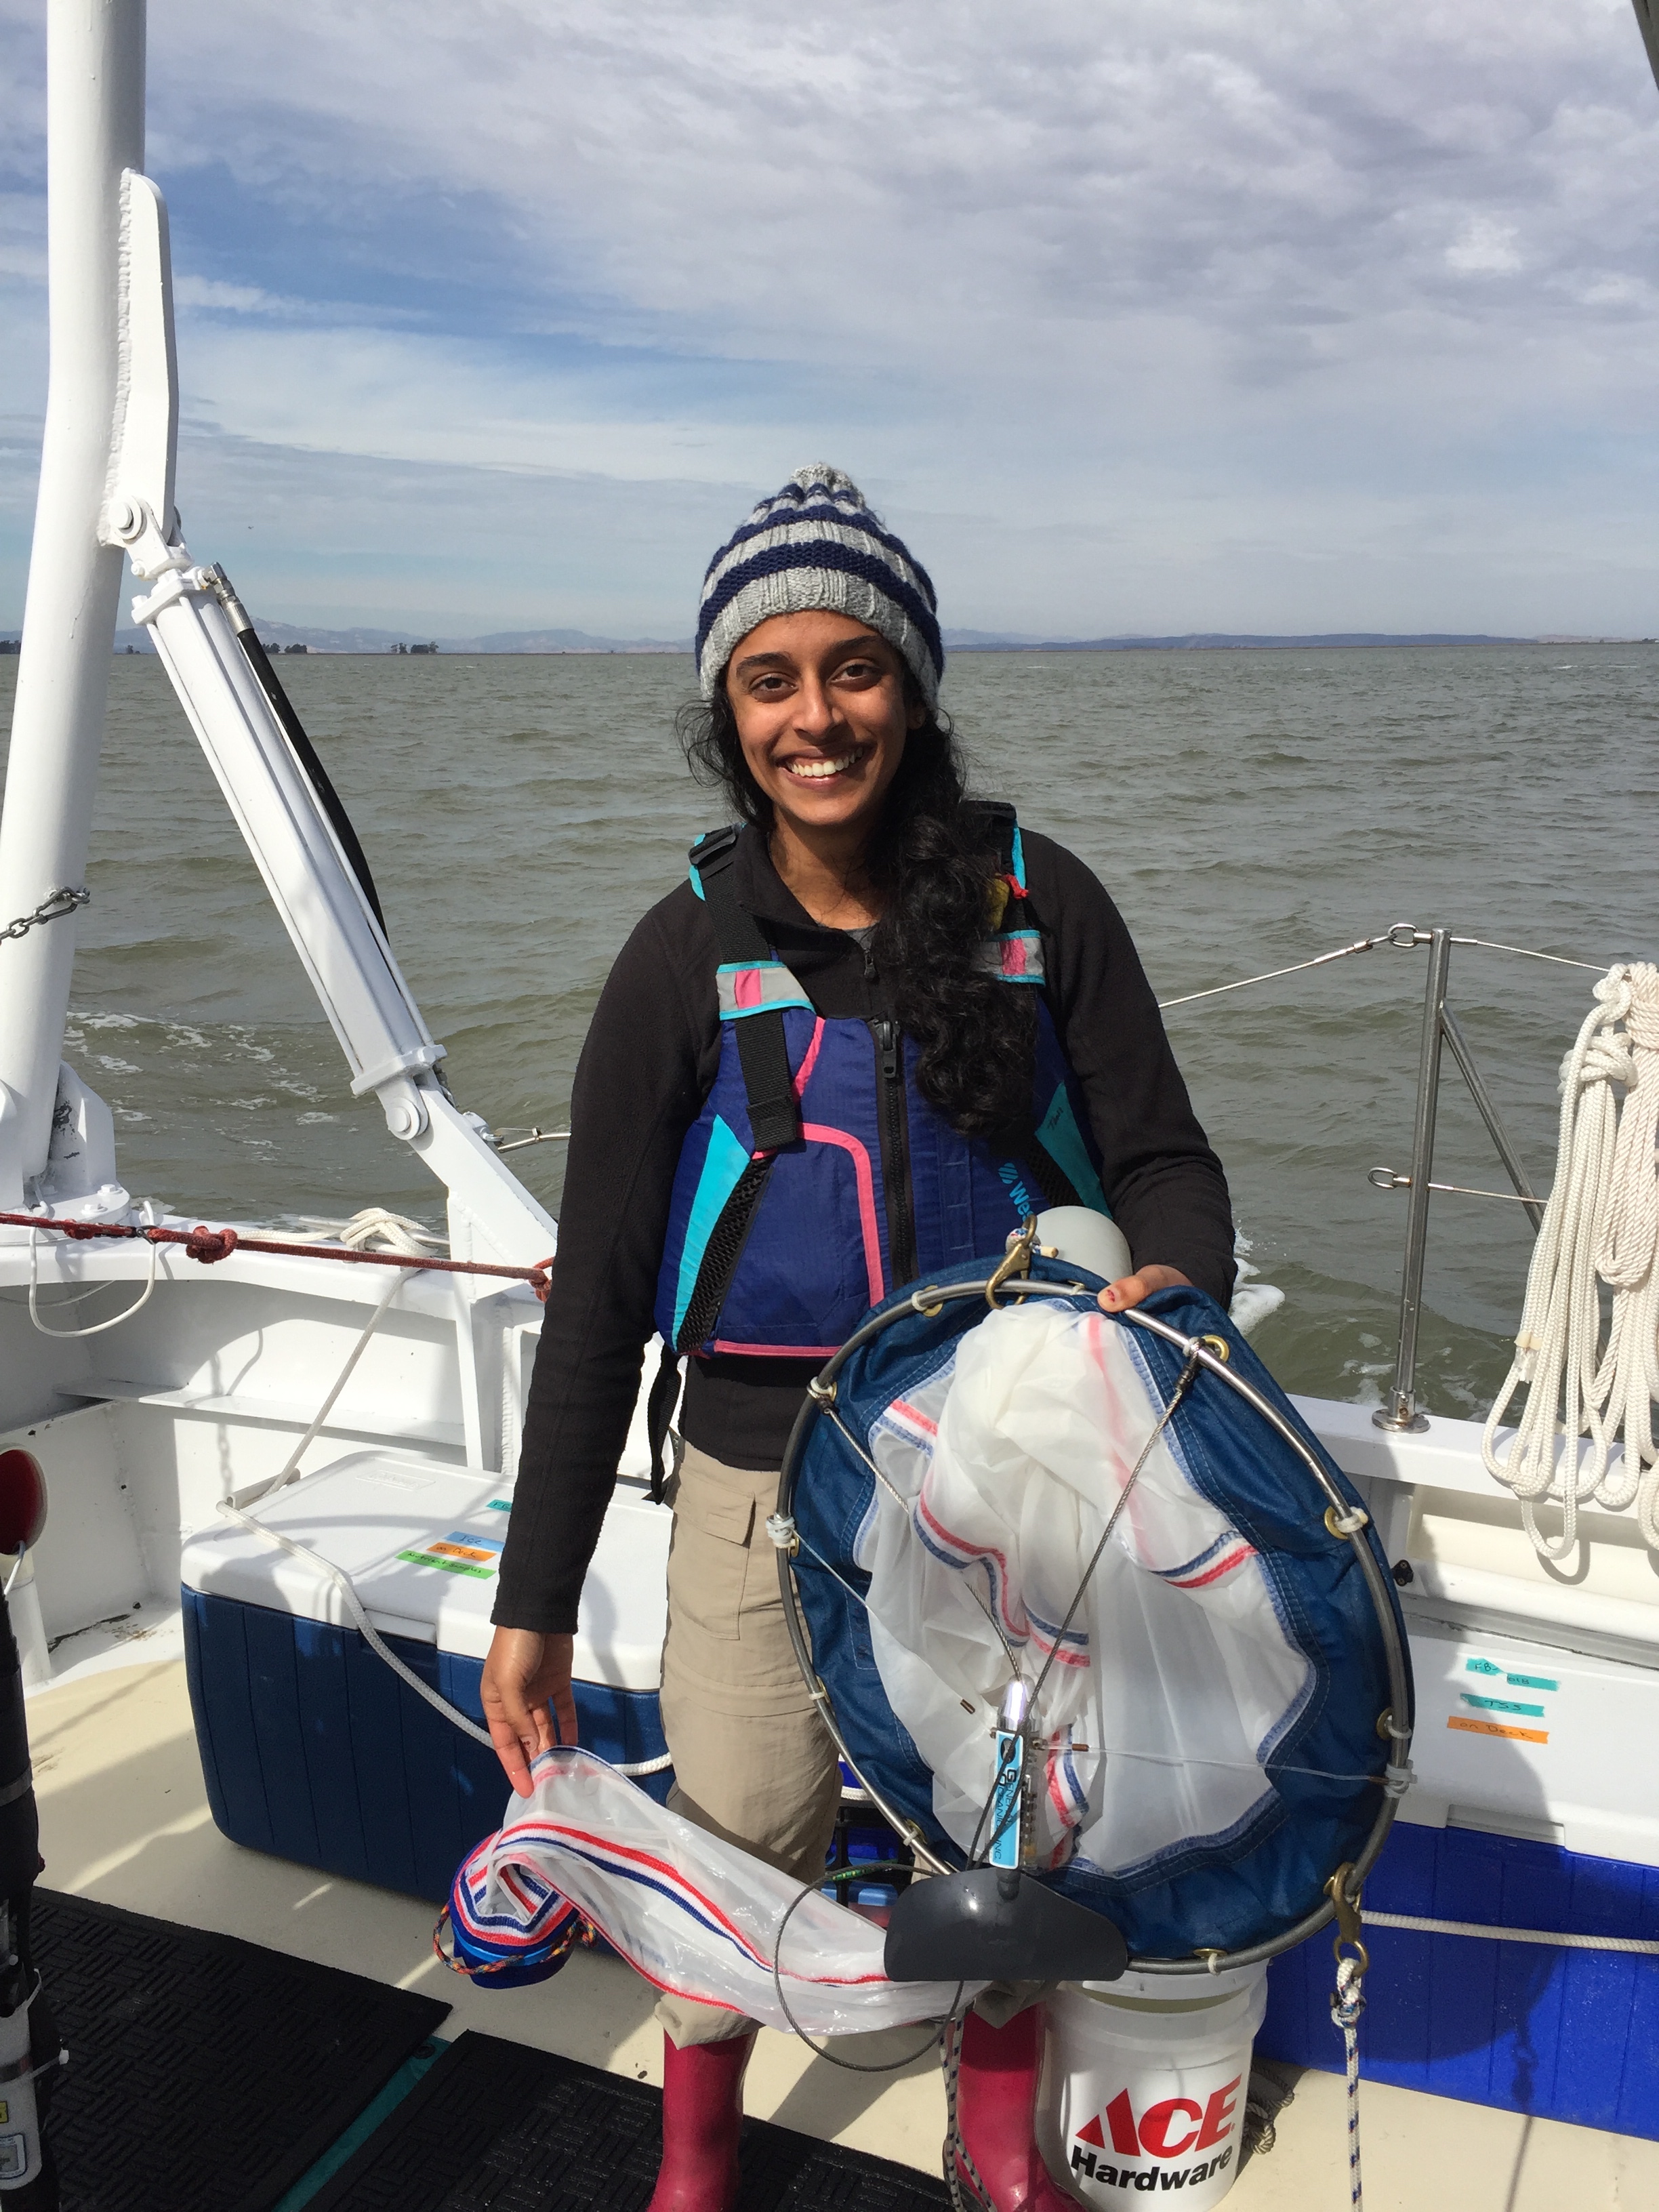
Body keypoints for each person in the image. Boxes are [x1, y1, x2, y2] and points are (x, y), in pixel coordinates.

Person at [481, 464, 1235, 2212]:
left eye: (855, 669)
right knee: (732, 1844)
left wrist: (1175, 1279)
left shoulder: (1047, 913)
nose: (816, 717)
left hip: (1009, 1479)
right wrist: (531, 1603)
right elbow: (595, 1302)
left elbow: (1167, 1165)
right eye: (771, 677)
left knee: (1006, 1843)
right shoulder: (677, 957)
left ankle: (1000, 2156)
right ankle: (695, 2168)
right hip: (753, 1487)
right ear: (725, 711)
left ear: (914, 686)